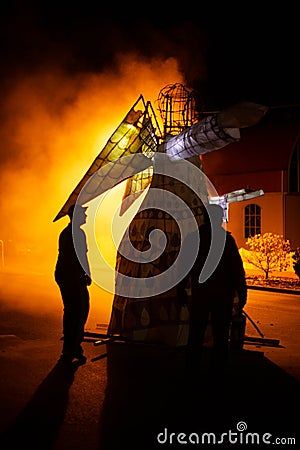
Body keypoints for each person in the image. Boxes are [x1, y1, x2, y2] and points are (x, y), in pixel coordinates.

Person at [185, 204, 247, 376]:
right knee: (221, 335)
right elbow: (237, 269)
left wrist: (181, 292)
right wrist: (242, 295)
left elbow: (184, 268)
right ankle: (217, 371)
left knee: (196, 333)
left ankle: (191, 369)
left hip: (201, 293)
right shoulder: (226, 240)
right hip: (222, 295)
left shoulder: (193, 238)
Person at [54, 204, 92, 364]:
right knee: (79, 310)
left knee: (71, 310)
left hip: (64, 274)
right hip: (72, 276)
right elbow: (81, 257)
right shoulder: (78, 233)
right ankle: (72, 347)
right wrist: (87, 274)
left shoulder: (65, 232)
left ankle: (71, 346)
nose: (85, 216)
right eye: (83, 214)